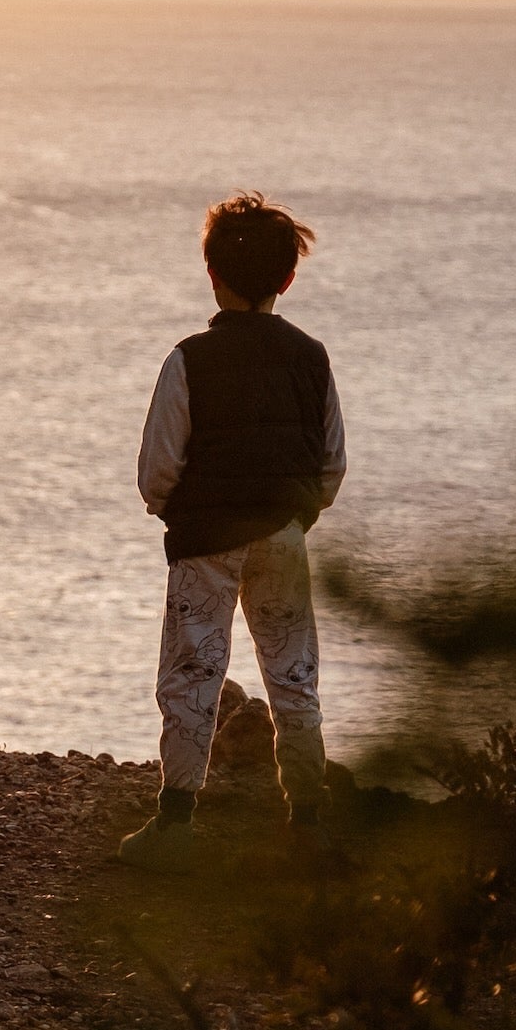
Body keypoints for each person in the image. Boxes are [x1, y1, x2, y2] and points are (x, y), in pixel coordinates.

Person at [120, 192, 345, 862]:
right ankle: (307, 821)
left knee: (192, 674)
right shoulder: (311, 357)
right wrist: (295, 515)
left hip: (206, 540)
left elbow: (157, 471)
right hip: (283, 533)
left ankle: (177, 823)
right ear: (288, 278)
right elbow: (330, 465)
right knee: (293, 675)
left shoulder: (189, 359)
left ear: (210, 272)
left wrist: (182, 514)